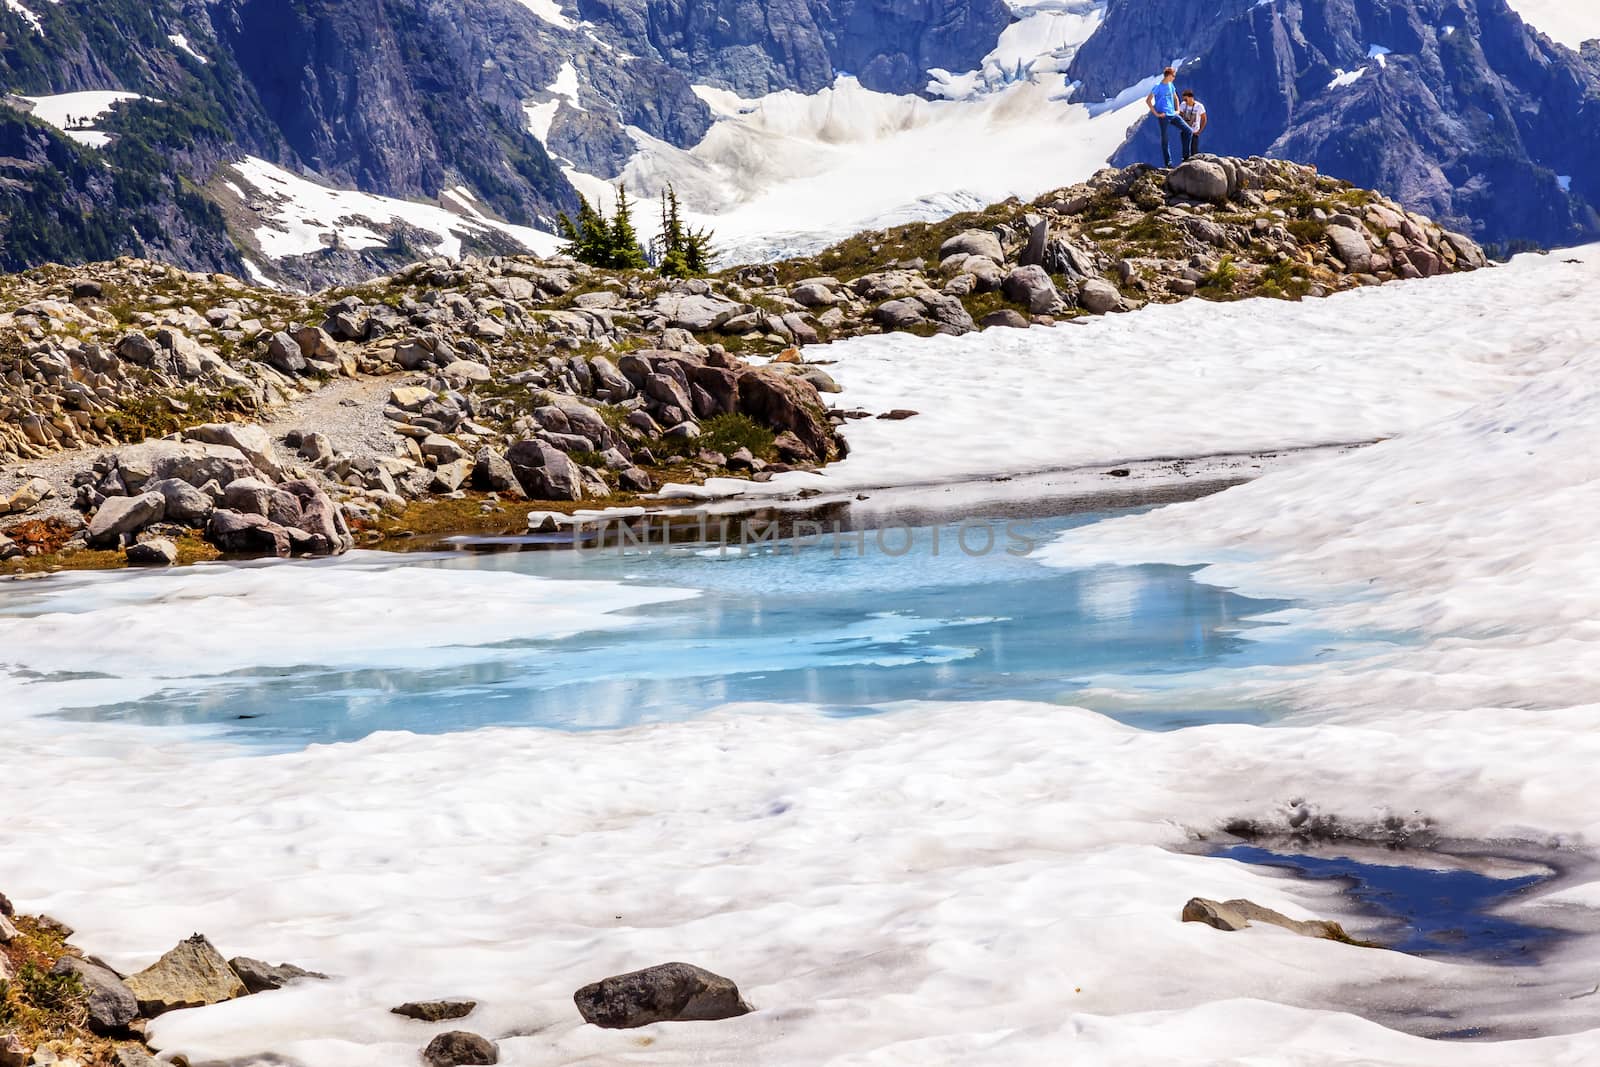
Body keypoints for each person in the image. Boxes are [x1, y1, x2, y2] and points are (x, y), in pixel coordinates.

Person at [1145, 67, 1193, 168]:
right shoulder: (1158, 86)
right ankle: (1168, 164)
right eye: (1173, 76)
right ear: (1169, 75)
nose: (1174, 78)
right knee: (1165, 139)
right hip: (1164, 116)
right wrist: (1157, 114)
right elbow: (1148, 100)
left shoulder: (1171, 85)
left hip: (1173, 114)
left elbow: (1175, 97)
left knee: (1188, 131)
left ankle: (1186, 157)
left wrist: (1178, 110)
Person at [1179, 90, 1208, 160]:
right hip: (1185, 131)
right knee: (1185, 151)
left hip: (1194, 132)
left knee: (1194, 151)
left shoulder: (1199, 106)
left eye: (1186, 99)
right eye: (1184, 99)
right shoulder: (1183, 105)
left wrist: (1199, 131)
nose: (1185, 101)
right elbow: (1180, 115)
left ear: (1191, 97)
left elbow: (1204, 119)